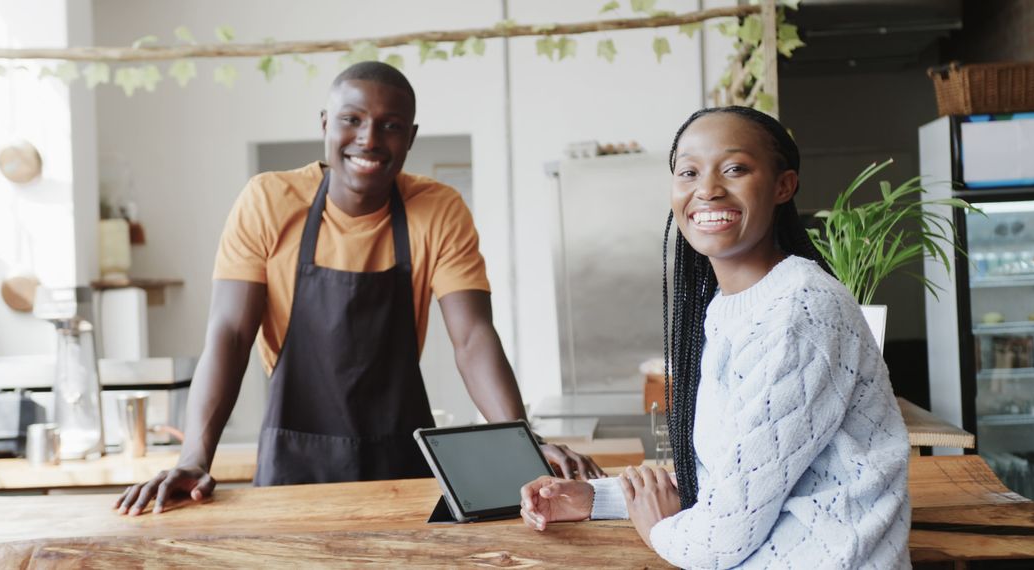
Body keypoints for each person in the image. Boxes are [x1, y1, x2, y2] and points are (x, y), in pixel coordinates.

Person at [115, 61, 601, 516]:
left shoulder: (437, 209)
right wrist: (196, 458)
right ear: (326, 123)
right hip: (293, 465)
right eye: (352, 119)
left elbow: (473, 338)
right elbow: (230, 334)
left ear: (410, 137)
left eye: (390, 125)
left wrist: (521, 439)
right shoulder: (268, 201)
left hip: (402, 463)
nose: (369, 139)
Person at [519, 107, 911, 568]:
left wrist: (660, 528)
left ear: (784, 186)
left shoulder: (799, 310)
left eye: (735, 169)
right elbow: (733, 482)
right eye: (689, 172)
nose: (707, 189)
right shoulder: (728, 309)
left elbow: (720, 539)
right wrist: (591, 498)